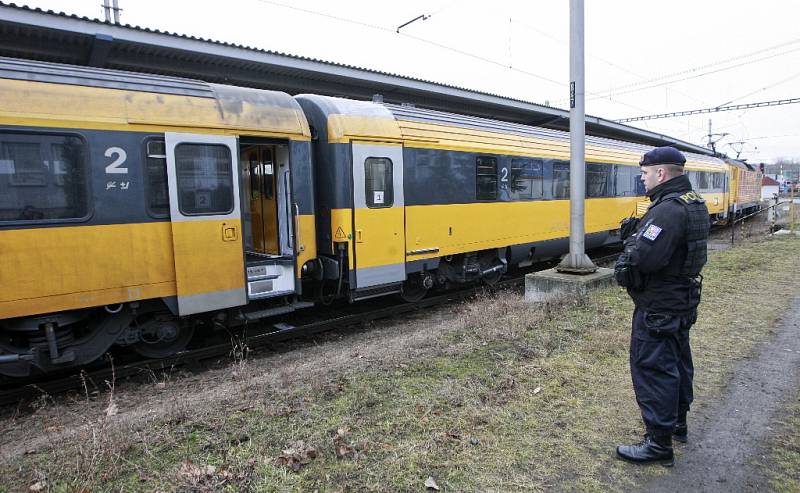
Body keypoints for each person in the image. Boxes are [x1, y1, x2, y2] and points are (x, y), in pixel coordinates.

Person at [613, 146, 710, 467]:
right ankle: (677, 423)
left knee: (654, 367)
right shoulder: (692, 203)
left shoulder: (667, 211)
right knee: (678, 361)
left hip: (659, 304)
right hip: (681, 299)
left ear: (661, 174)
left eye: (644, 174)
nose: (642, 179)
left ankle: (658, 442)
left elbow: (645, 258)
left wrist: (631, 241)